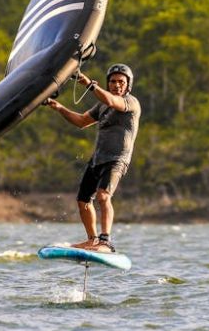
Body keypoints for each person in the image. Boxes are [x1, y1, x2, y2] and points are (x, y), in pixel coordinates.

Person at [44, 63, 141, 252]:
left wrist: (88, 83)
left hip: (116, 159)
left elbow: (114, 102)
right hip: (97, 159)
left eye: (121, 82)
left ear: (128, 85)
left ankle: (105, 242)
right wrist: (58, 107)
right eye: (112, 82)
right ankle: (92, 240)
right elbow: (81, 122)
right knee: (83, 200)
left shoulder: (131, 102)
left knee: (104, 196)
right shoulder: (102, 105)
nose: (116, 85)